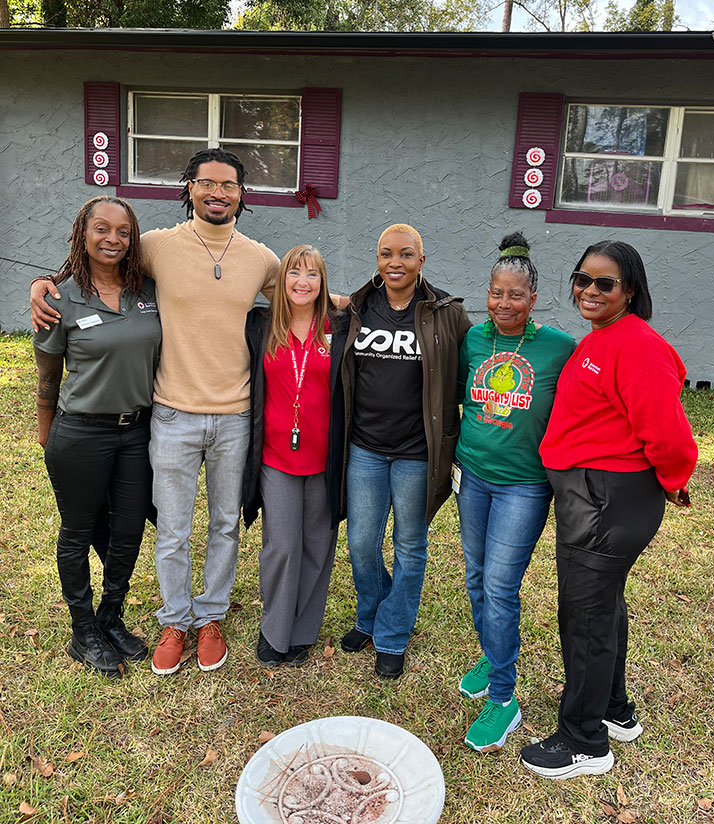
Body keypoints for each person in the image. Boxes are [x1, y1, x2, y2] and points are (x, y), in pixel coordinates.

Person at [31, 149, 280, 675]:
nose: (218, 193)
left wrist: (381, 294)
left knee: (225, 524)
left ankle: (209, 616)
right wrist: (43, 283)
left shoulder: (261, 258)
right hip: (169, 413)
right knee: (171, 528)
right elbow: (97, 257)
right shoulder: (154, 247)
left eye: (229, 185)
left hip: (235, 415)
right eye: (207, 183)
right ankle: (174, 619)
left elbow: (308, 294)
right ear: (189, 188)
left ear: (242, 195)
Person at [520, 240, 697, 780]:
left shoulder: (636, 345)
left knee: (586, 619)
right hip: (591, 494)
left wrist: (673, 478)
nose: (589, 290)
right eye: (582, 279)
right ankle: (615, 711)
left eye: (605, 283)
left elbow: (666, 430)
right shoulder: (604, 338)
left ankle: (584, 741)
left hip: (607, 499)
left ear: (631, 291)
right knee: (602, 608)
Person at [327, 224, 471, 679]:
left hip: (416, 453)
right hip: (365, 448)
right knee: (361, 543)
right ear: (377, 259)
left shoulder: (446, 312)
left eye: (406, 254)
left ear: (421, 261)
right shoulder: (359, 306)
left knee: (410, 545)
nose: (395, 262)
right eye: (386, 254)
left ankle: (391, 633)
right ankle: (370, 613)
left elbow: (478, 357)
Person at [454, 233, 575, 752]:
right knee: (477, 577)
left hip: (524, 486)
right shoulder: (474, 341)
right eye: (496, 293)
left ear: (533, 299)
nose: (504, 303)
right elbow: (455, 394)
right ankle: (494, 652)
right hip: (473, 475)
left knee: (501, 587)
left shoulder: (560, 349)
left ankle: (504, 698)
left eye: (515, 295)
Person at [33, 197, 161, 675]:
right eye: (102, 229)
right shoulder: (59, 299)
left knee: (127, 532)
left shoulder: (148, 290)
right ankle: (83, 629)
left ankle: (111, 616)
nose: (113, 239)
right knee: (79, 531)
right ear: (81, 234)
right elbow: (47, 376)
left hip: (137, 433)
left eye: (123, 232)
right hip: (81, 433)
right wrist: (48, 437)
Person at [244, 245, 339, 667]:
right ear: (280, 281)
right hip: (276, 456)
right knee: (282, 545)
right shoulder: (260, 325)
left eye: (312, 274)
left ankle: (302, 631)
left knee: (318, 544)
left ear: (323, 283)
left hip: (325, 456)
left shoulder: (340, 327)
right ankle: (274, 629)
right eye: (293, 273)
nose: (302, 282)